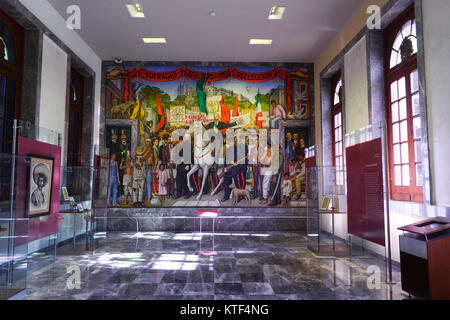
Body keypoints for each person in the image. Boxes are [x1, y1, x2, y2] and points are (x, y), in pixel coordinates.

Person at [144, 138, 153, 206]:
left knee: (148, 183)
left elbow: (144, 156)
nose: (147, 143)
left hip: (148, 168)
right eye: (146, 142)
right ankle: (145, 196)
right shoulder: (144, 149)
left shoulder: (150, 149)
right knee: (144, 183)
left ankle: (149, 197)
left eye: (148, 142)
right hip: (144, 168)